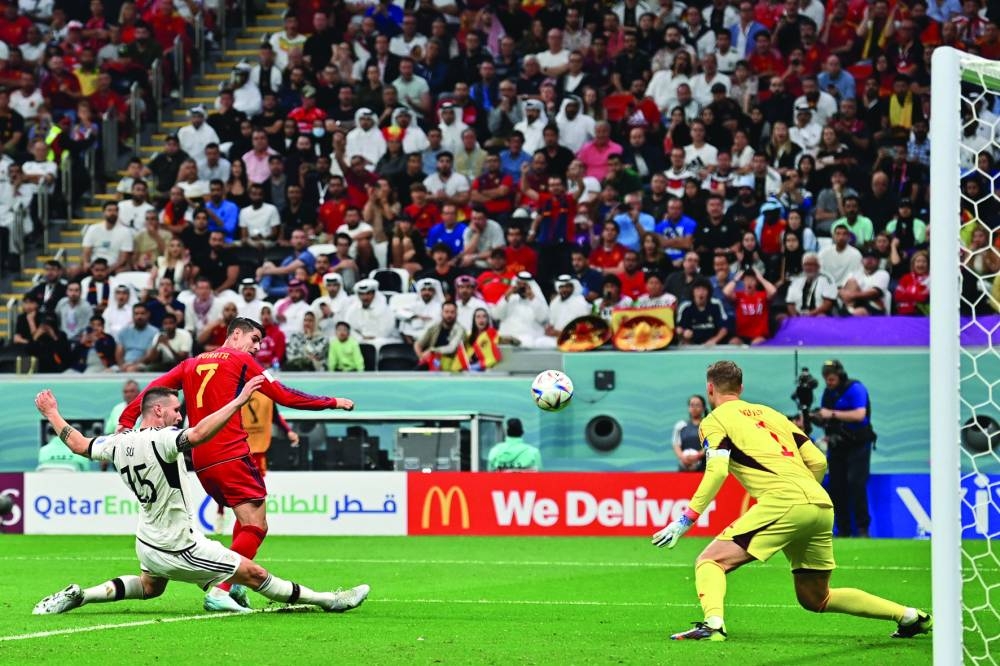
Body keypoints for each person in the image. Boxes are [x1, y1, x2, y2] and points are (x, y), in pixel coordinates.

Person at [32, 377, 369, 616]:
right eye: (176, 410)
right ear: (159, 411)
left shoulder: (116, 443)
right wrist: (237, 402)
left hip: (147, 541)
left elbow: (77, 443)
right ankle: (329, 600)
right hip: (181, 546)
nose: (180, 415)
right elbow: (199, 433)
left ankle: (81, 595)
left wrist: (51, 412)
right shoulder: (161, 439)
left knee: (151, 587)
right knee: (256, 575)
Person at [652, 360, 930, 641]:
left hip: (784, 502)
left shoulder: (714, 421)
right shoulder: (771, 414)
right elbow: (818, 460)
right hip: (820, 503)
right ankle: (908, 616)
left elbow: (718, 470)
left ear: (710, 389)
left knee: (710, 561)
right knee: (816, 597)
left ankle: (713, 625)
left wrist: (685, 519)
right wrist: (806, 496)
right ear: (741, 388)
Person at [117, 318, 356, 613]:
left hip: (201, 459)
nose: (256, 347)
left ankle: (237, 587)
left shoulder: (191, 363)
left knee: (243, 522)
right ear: (236, 334)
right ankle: (222, 588)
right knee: (257, 524)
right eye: (254, 339)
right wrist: (331, 402)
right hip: (230, 452)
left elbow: (152, 389)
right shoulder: (240, 359)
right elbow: (283, 394)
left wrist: (126, 421)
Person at [815, 359, 877, 538]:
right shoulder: (828, 393)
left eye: (832, 378)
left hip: (858, 444)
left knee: (856, 484)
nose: (829, 382)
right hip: (837, 444)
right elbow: (825, 415)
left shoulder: (855, 388)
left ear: (840, 375)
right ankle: (843, 530)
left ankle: (863, 529)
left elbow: (860, 414)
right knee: (837, 486)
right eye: (826, 378)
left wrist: (832, 414)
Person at [672, 395, 708, 471]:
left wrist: (697, 456)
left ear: (703, 408)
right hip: (684, 467)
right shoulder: (680, 425)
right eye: (692, 405)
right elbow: (676, 444)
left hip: (704, 468)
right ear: (688, 408)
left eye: (697, 405)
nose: (694, 408)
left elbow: (709, 445)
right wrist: (682, 457)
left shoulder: (708, 425)